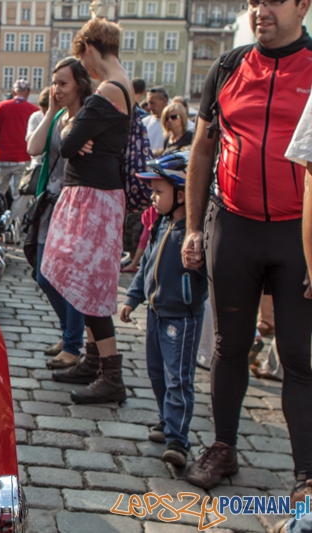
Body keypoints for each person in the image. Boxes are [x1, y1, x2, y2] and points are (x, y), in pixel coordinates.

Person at [182, 0, 312, 500]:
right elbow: (202, 149)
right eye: (255, 1)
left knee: (298, 356)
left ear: (302, 5)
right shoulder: (230, 66)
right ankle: (222, 447)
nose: (261, 10)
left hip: (297, 232)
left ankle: (306, 473)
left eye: (274, 1)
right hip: (232, 224)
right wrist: (194, 228)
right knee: (229, 346)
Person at [40, 17, 134, 404]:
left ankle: (111, 375)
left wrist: (70, 134)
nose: (86, 69)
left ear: (91, 50)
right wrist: (72, 135)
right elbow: (73, 138)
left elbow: (69, 140)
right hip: (94, 195)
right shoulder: (121, 86)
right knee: (82, 278)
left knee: (90, 284)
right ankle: (94, 360)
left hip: (93, 199)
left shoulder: (110, 89)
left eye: (84, 59)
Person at [120, 151, 208, 467]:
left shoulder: (196, 233)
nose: (153, 198)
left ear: (183, 194)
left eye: (159, 192)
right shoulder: (162, 223)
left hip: (181, 318)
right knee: (157, 373)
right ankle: (166, 420)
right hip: (156, 313)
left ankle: (178, 440)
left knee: (177, 378)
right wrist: (132, 298)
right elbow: (146, 267)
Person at [27, 58, 94, 370]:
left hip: (73, 209)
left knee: (66, 279)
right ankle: (69, 333)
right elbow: (33, 148)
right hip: (49, 205)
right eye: (54, 83)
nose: (56, 89)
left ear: (79, 84)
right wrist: (51, 112)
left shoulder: (85, 120)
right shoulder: (58, 118)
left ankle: (71, 343)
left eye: (63, 83)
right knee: (44, 275)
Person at [0, 79, 39, 223]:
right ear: (28, 92)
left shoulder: (1, 107)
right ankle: (14, 226)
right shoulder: (33, 110)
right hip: (22, 158)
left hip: (3, 157)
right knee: (20, 195)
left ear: (13, 92)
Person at [143, 86, 168, 151]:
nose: (149, 107)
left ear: (164, 101)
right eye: (148, 103)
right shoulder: (144, 122)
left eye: (152, 103)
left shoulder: (175, 122)